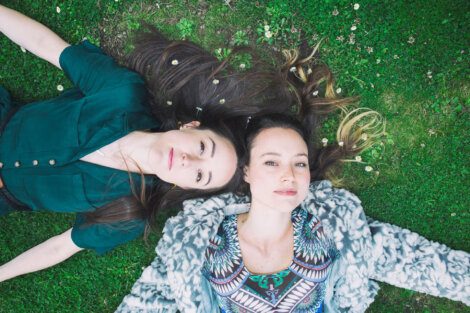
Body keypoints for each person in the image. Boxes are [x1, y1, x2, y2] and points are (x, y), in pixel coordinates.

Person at [116, 70, 469, 312]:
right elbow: (148, 301)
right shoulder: (195, 242)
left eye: (299, 163)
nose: (289, 175)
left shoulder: (337, 229)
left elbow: (422, 263)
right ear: (247, 172)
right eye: (271, 162)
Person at [0, 4, 252, 282]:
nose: (188, 161)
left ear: (187, 186)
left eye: (200, 176)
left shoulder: (130, 214)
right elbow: (47, 46)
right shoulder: (122, 93)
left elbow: (60, 246)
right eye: (203, 148)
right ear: (191, 126)